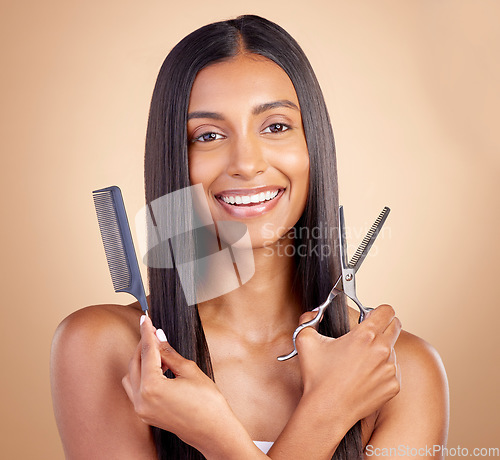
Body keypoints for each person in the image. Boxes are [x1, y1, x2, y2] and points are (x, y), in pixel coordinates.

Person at [50, 15, 449, 459]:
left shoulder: (398, 372)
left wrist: (221, 437)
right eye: (209, 135)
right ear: (174, 161)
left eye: (276, 126)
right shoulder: (107, 349)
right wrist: (327, 411)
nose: (247, 162)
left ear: (313, 144)